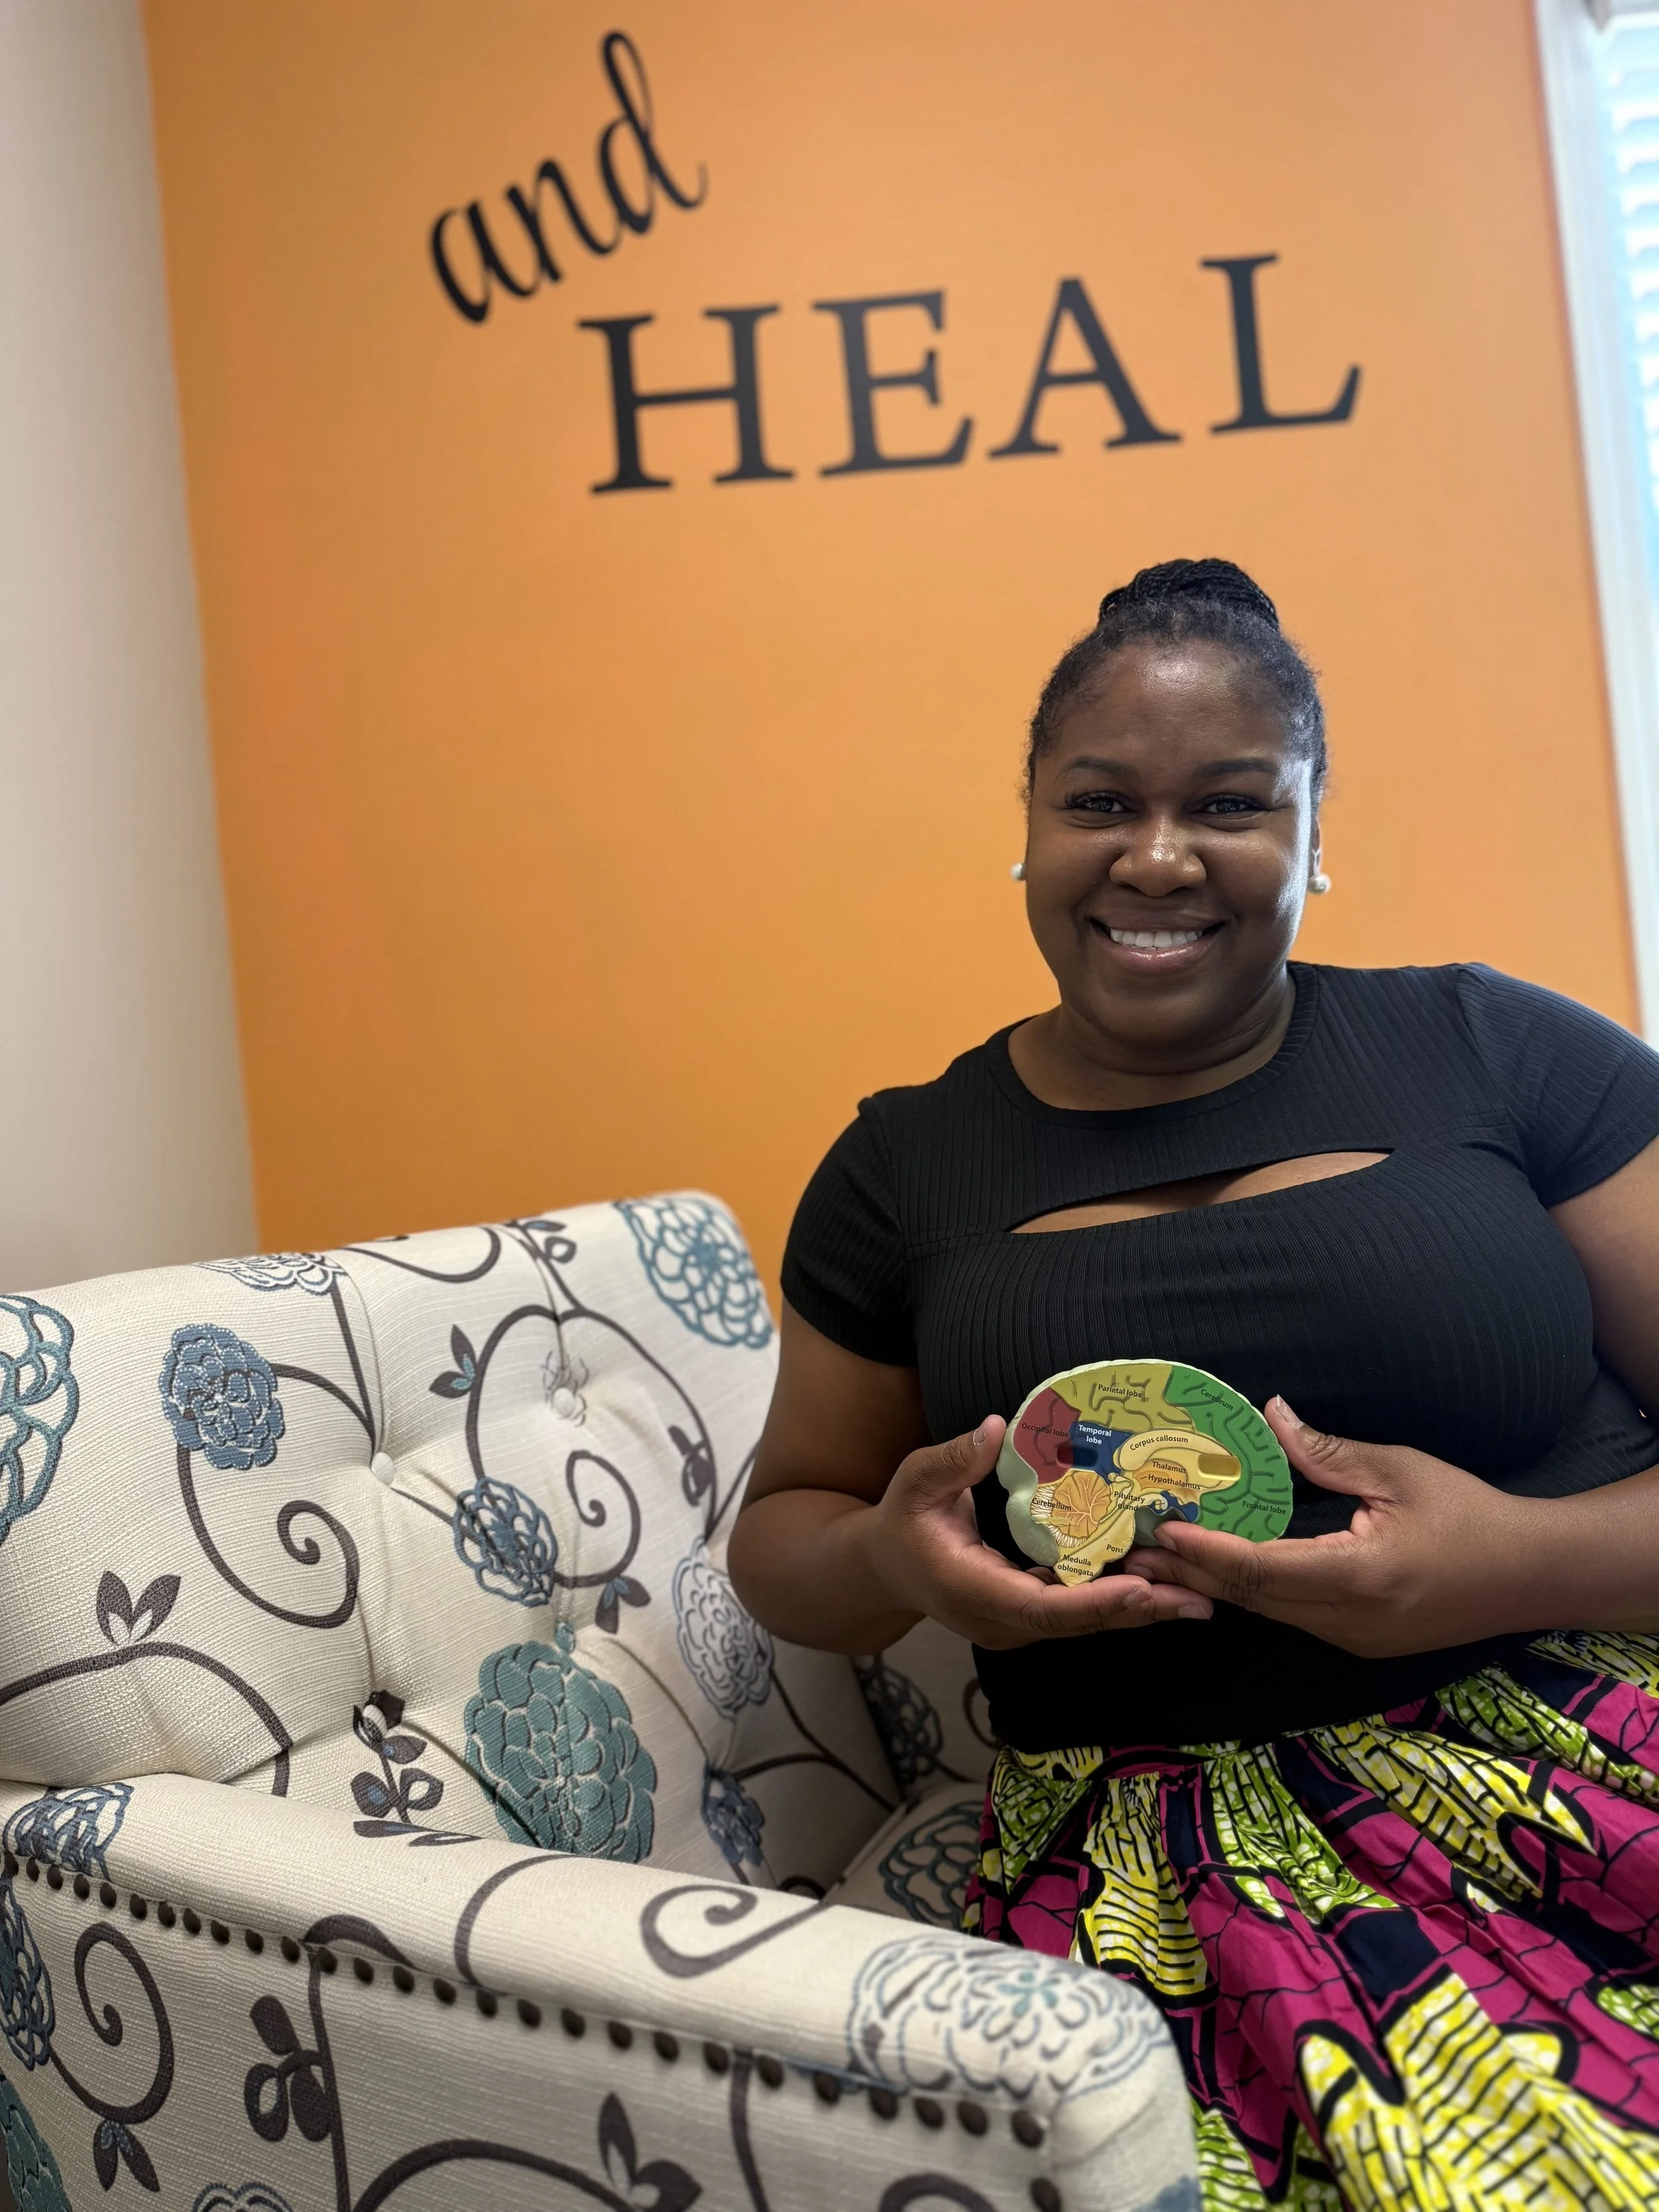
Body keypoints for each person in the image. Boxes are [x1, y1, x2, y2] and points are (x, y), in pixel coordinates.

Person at [728, 557, 1659, 2209]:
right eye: (1101, 800)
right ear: (1028, 821)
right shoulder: (903, 1166)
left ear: (1311, 828)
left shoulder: (1499, 1053)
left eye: (1228, 803)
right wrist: (888, 1558)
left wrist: (1499, 1563)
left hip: (1588, 1737)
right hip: (1166, 1864)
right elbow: (785, 1539)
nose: (1156, 857)